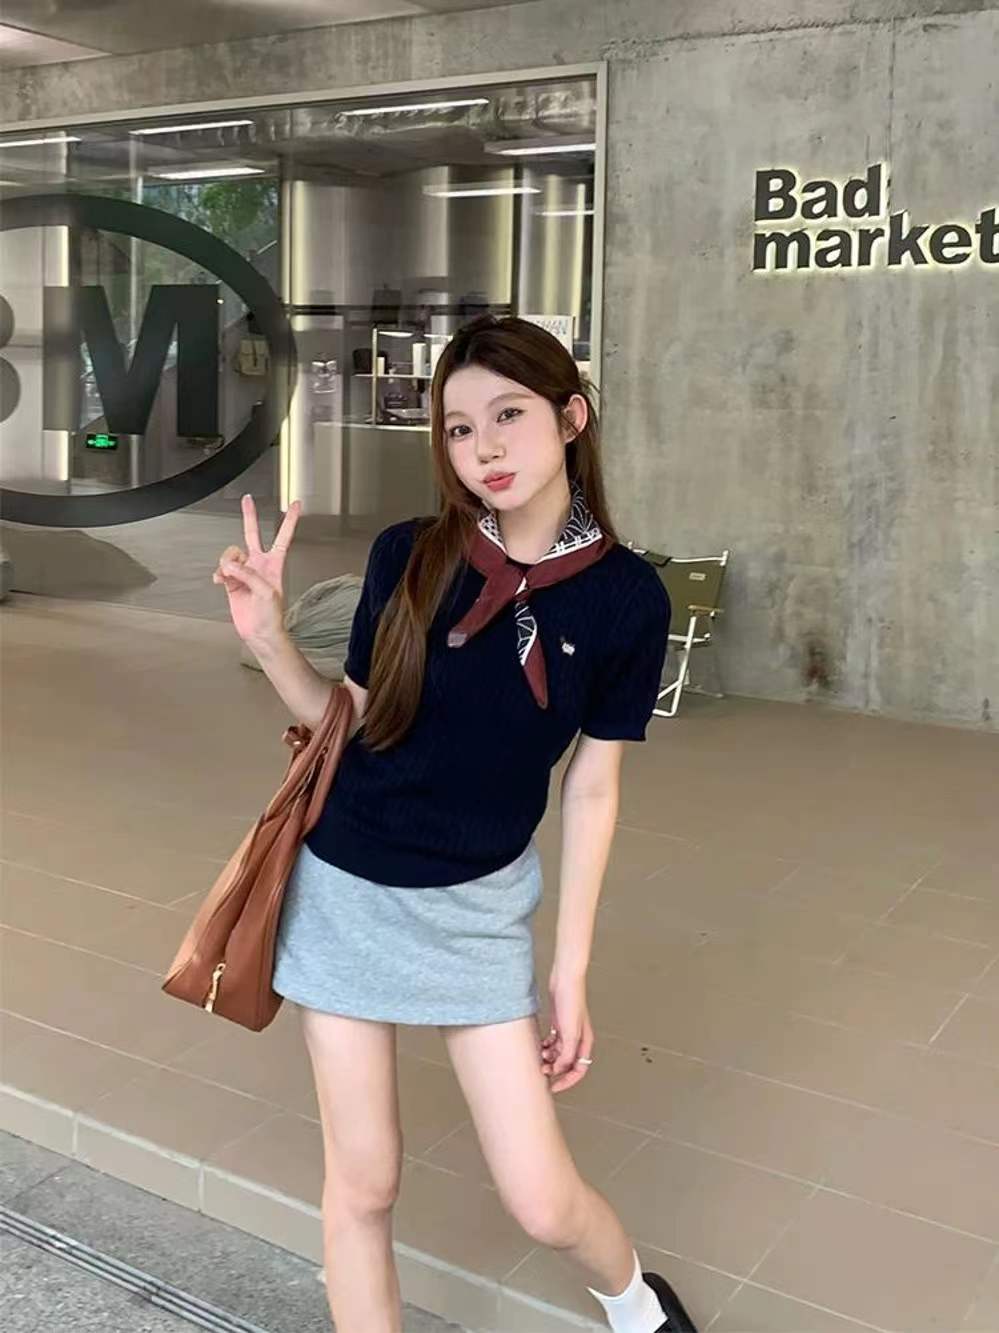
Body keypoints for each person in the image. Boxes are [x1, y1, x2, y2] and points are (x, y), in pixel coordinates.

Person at [212, 315, 697, 1333]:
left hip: (478, 912)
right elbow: (345, 721)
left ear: (572, 416)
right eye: (461, 427)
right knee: (365, 1182)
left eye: (510, 415)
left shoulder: (626, 598)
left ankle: (638, 1307)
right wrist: (267, 639)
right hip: (346, 889)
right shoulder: (411, 555)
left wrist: (568, 969)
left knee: (542, 1200)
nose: (485, 448)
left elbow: (593, 786)